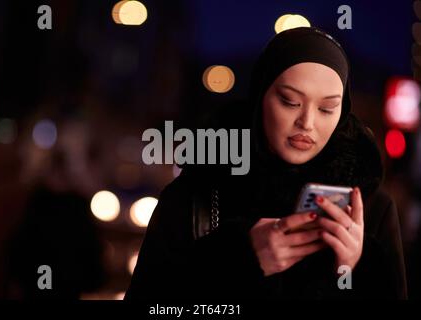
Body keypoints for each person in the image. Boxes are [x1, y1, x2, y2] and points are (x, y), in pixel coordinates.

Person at [124, 27, 407, 300]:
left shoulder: (371, 209)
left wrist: (351, 271)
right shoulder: (194, 196)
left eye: (326, 108)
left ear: (342, 112)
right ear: (261, 96)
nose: (307, 123)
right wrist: (238, 262)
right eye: (289, 101)